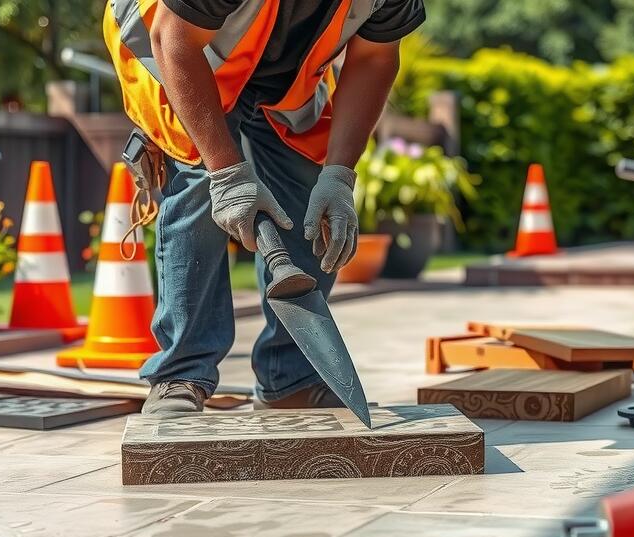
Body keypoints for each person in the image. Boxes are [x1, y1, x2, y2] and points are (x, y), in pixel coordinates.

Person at [103, 0, 425, 414]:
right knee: (201, 181)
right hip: (174, 50)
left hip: (282, 80)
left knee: (308, 189)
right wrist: (228, 174)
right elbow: (173, 39)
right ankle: (180, 375)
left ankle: (288, 379)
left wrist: (339, 174)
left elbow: (375, 57)